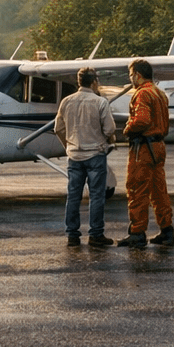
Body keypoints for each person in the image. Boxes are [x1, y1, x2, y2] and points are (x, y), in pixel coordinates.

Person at [53, 66, 117, 247]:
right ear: (94, 81)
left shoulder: (66, 101)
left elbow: (58, 128)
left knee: (73, 196)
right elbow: (110, 129)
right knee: (96, 196)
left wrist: (68, 146)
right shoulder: (100, 102)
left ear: (78, 82)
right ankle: (96, 234)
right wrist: (107, 139)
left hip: (74, 156)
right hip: (95, 154)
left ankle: (72, 234)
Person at [117, 58, 174, 248]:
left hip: (143, 148)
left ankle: (137, 232)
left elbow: (141, 120)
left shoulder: (142, 94)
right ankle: (167, 230)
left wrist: (127, 129)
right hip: (159, 146)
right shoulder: (160, 93)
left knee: (137, 189)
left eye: (131, 75)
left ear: (138, 75)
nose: (130, 78)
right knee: (159, 191)